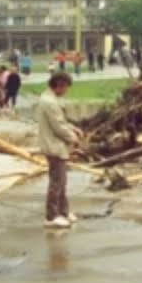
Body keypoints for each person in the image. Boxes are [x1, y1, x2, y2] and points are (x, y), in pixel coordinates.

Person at [36, 72, 82, 229]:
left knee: (62, 180)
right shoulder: (49, 102)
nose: (66, 91)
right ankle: (51, 216)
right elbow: (59, 127)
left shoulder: (50, 99)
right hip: (53, 146)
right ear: (59, 85)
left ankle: (63, 211)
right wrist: (73, 138)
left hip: (55, 145)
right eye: (66, 87)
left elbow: (61, 122)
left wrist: (74, 128)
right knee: (57, 181)